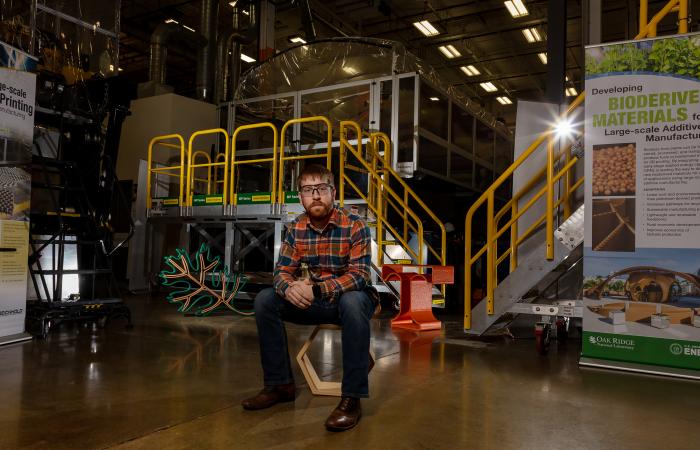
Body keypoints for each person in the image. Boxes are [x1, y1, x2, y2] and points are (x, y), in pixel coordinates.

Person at [241, 163, 377, 432]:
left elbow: (359, 276)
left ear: (333, 192)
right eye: (307, 190)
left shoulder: (355, 225)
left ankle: (352, 398)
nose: (315, 195)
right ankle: (280, 385)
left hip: (353, 299)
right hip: (316, 300)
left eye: (322, 188)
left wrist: (315, 289)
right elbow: (281, 273)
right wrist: (290, 289)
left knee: (352, 301)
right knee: (265, 300)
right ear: (301, 197)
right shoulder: (296, 228)